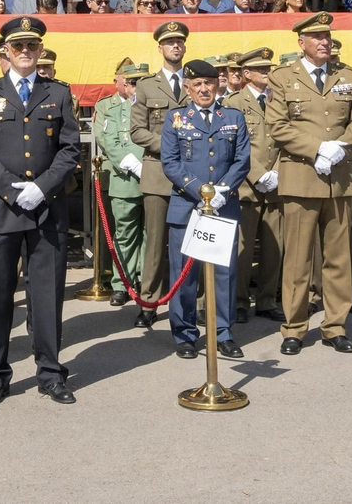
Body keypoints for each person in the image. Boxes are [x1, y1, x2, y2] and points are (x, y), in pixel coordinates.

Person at [0, 16, 81, 407]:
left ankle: (50, 373)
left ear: (41, 51)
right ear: (6, 53)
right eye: (19, 47)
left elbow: (70, 149)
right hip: (2, 209)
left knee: (47, 296)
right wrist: (15, 191)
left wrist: (41, 188)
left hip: (47, 210)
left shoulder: (58, 93)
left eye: (33, 46)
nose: (27, 52)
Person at [267, 12, 352, 356]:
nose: (325, 42)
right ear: (301, 43)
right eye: (317, 37)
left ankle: (335, 325)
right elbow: (277, 126)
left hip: (340, 179)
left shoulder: (347, 76)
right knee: (297, 259)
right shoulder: (283, 77)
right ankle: (294, 328)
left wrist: (338, 150)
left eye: (327, 36)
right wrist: (316, 150)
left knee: (339, 258)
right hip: (300, 177)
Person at [160, 59, 251, 359]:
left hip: (223, 207)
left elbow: (242, 160)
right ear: (187, 88)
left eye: (208, 83)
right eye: (197, 84)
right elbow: (170, 162)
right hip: (188, 207)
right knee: (185, 274)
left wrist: (222, 191)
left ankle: (223, 332)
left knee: (225, 273)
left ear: (218, 84)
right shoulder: (176, 119)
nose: (203, 89)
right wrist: (200, 190)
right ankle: (185, 333)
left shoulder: (234, 117)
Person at [128, 21, 191, 329]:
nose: (175, 46)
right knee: (155, 243)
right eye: (170, 42)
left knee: (190, 243)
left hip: (192, 175)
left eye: (179, 41)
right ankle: (149, 301)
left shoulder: (195, 81)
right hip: (158, 172)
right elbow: (137, 131)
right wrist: (169, 145)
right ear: (160, 48)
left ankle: (187, 300)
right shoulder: (147, 85)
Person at [228, 48, 283, 324]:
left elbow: (285, 138)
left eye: (268, 67)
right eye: (260, 68)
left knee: (274, 249)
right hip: (247, 187)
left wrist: (277, 172)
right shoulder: (234, 102)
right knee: (242, 249)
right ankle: (238, 301)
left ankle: (267, 300)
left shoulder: (278, 99)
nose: (266, 71)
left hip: (276, 184)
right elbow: (235, 146)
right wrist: (259, 174)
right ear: (246, 73)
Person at [95, 58, 147, 308]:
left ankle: (145, 281)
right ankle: (121, 283)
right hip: (126, 180)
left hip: (154, 180)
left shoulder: (157, 110)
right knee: (124, 235)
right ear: (125, 85)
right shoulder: (114, 111)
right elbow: (109, 142)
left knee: (151, 236)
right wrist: (134, 164)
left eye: (143, 82)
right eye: (134, 82)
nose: (138, 87)